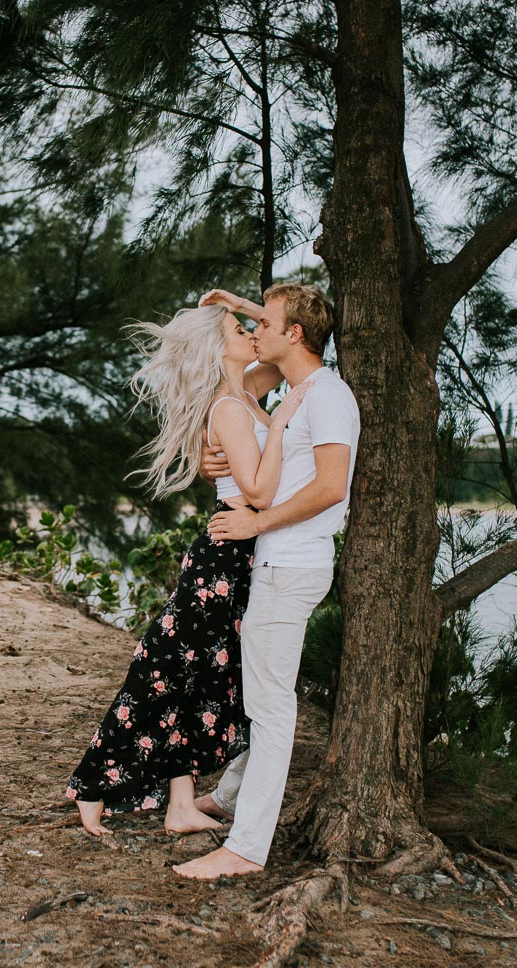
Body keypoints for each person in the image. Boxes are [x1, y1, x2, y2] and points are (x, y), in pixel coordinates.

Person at [66, 302, 309, 836]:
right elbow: (259, 492)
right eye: (240, 329)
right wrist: (282, 424)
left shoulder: (246, 388)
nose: (251, 333)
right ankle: (92, 785)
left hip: (241, 556)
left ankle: (179, 805)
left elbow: (295, 346)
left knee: (197, 681)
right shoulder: (230, 406)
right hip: (224, 557)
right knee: (162, 672)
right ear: (217, 348)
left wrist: (241, 306)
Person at [172, 282, 359, 879]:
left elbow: (330, 487)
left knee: (271, 710)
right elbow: (253, 375)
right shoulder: (297, 391)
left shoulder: (326, 396)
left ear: (294, 334)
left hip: (289, 564)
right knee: (259, 695)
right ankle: (228, 798)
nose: (254, 332)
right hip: (275, 563)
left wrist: (255, 523)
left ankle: (245, 848)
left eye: (264, 323)